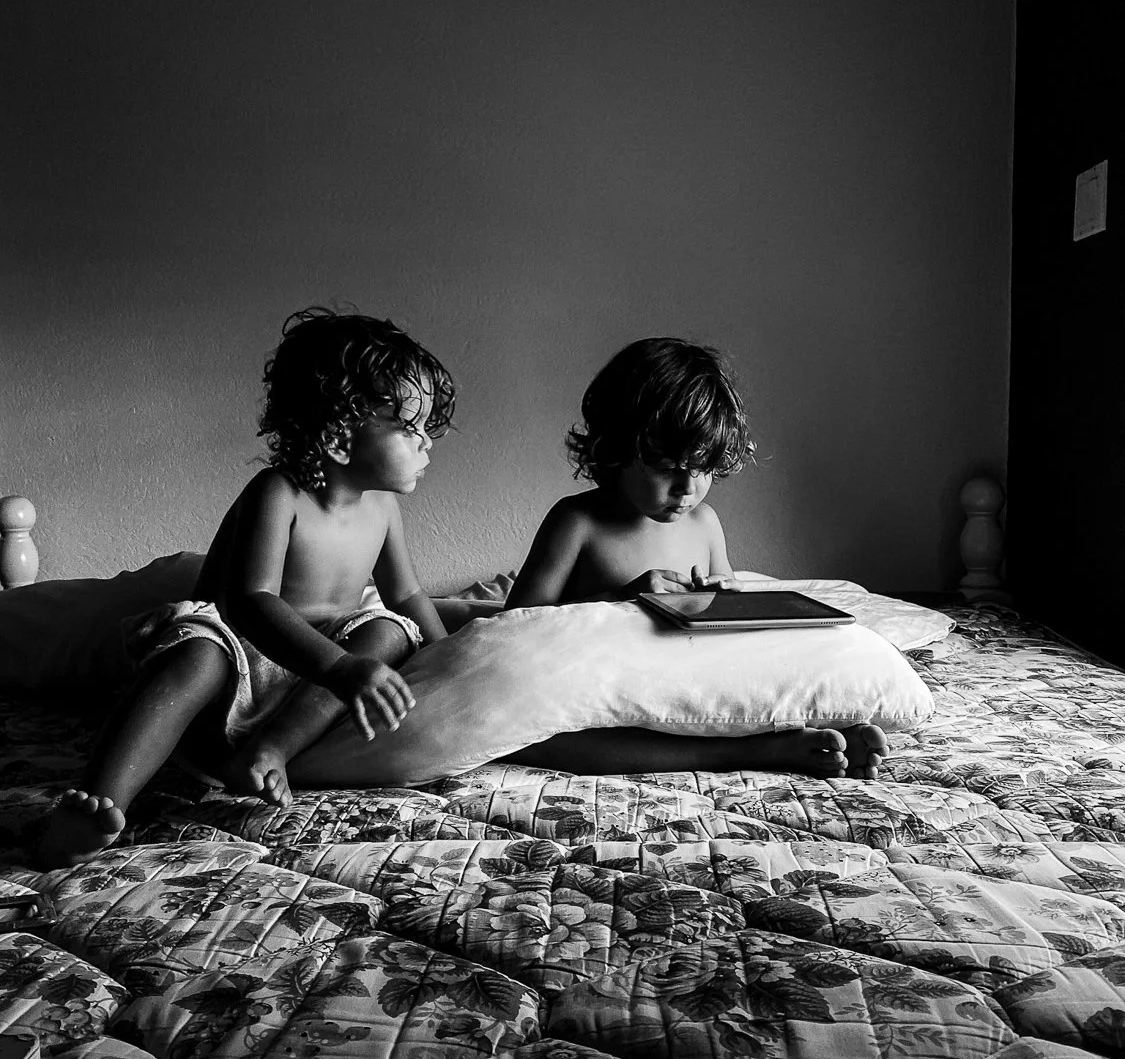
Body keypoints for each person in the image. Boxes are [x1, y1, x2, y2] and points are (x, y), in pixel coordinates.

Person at [39, 307, 454, 868]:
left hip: (308, 697)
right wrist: (338, 667)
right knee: (197, 653)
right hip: (238, 663)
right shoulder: (277, 493)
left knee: (387, 628)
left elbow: (405, 596)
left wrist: (450, 654)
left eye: (428, 427)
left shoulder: (382, 509)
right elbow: (250, 603)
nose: (428, 443)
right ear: (337, 436)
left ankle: (269, 750)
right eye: (410, 427)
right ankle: (95, 805)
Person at [504, 336, 887, 780]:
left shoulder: (705, 523)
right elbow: (516, 630)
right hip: (603, 690)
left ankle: (808, 726)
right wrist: (619, 600)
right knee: (543, 739)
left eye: (702, 466)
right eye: (666, 467)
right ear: (615, 451)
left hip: (681, 688)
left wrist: (727, 600)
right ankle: (758, 752)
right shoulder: (577, 521)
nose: (686, 488)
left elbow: (722, 636)